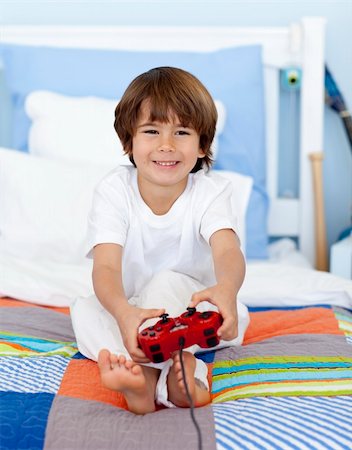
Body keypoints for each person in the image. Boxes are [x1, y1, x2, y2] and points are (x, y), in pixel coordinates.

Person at [70, 66, 250, 414]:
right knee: (85, 311)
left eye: (181, 132)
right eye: (151, 131)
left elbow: (227, 249)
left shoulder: (212, 192)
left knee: (165, 281)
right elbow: (106, 265)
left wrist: (226, 289)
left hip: (196, 310)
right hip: (134, 309)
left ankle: (156, 382)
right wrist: (123, 312)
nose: (166, 145)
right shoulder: (113, 191)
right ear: (129, 142)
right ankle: (164, 378)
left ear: (202, 146)